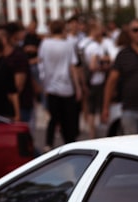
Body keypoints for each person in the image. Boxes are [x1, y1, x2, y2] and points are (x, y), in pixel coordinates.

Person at [38, 18, 83, 149]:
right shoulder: (68, 45)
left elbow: (42, 64)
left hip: (51, 87)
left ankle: (48, 143)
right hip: (66, 87)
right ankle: (70, 144)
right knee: (67, 119)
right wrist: (78, 87)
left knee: (53, 118)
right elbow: (73, 67)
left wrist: (44, 84)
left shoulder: (45, 44)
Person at [80, 21, 113, 138]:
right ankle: (95, 134)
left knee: (89, 108)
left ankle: (91, 132)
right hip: (96, 81)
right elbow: (93, 66)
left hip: (85, 80)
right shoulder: (95, 46)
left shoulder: (82, 43)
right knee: (96, 109)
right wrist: (103, 68)